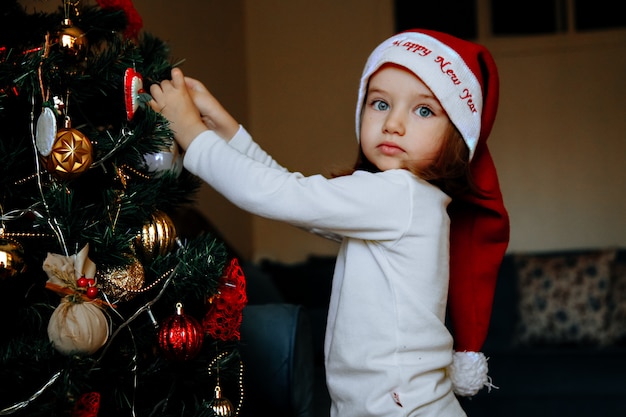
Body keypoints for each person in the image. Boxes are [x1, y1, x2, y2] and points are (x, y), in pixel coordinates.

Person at [150, 28, 509, 417]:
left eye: (423, 110)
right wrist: (226, 129)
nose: (393, 124)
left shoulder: (399, 196)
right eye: (380, 103)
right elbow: (297, 195)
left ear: (455, 138)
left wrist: (193, 134)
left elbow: (282, 194)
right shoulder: (398, 199)